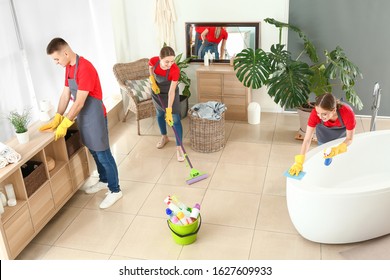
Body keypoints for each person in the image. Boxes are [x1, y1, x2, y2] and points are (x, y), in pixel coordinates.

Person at [40, 38, 122, 209]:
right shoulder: (69, 68)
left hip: (95, 115)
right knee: (93, 151)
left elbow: (79, 103)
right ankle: (104, 180)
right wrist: (57, 117)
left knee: (103, 154)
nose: (56, 63)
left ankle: (115, 190)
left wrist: (65, 124)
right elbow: (65, 95)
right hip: (84, 117)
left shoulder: (85, 68)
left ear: (65, 53)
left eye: (56, 59)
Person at [289, 93, 356, 176]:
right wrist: (300, 161)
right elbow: (307, 140)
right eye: (318, 113)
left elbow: (349, 139)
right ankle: (327, 164)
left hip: (341, 136)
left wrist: (337, 149)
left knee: (339, 158)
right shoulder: (315, 114)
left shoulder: (347, 113)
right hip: (324, 134)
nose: (320, 117)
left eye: (324, 114)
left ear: (334, 110)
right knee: (325, 153)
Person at [148, 46, 184, 162]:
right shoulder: (154, 61)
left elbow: (171, 92)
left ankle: (179, 147)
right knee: (159, 115)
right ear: (160, 58)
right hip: (157, 92)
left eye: (172, 61)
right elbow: (150, 68)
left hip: (170, 93)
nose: (170, 64)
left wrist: (169, 110)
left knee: (175, 118)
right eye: (167, 61)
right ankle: (164, 137)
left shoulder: (174, 70)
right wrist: (152, 80)